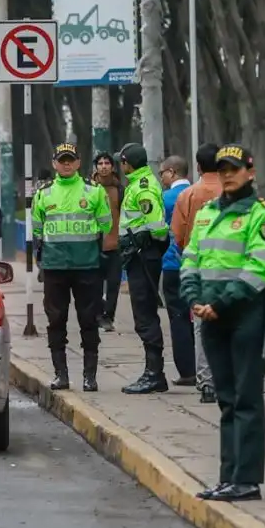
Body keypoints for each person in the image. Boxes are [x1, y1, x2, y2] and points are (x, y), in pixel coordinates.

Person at [181, 145, 265, 502]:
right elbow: (191, 257)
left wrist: (218, 303)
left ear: (250, 172)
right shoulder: (207, 213)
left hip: (246, 316)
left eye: (235, 169)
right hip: (211, 316)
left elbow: (259, 267)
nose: (227, 174)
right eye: (223, 169)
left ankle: (248, 480)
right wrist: (194, 298)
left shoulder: (261, 215)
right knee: (226, 400)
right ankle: (228, 476)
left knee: (246, 398)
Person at [30, 144, 112, 392]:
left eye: (71, 160)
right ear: (54, 163)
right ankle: (61, 375)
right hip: (55, 268)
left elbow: (105, 224)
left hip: (87, 266)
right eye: (62, 160)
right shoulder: (43, 194)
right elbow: (36, 229)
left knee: (89, 321)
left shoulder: (94, 191)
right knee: (56, 321)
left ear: (78, 163)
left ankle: (90, 377)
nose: (66, 164)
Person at [117, 142, 170, 394]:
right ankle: (153, 372)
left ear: (127, 163)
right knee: (144, 313)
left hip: (143, 255)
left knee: (145, 314)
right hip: (140, 255)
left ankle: (154, 374)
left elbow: (159, 228)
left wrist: (145, 244)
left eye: (122, 161)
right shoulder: (138, 183)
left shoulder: (143, 188)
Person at [173, 143, 223, 404]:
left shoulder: (189, 195)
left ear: (199, 166)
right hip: (234, 271)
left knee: (202, 327)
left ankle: (206, 383)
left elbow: (179, 237)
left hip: (201, 268)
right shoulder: (234, 192)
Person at [158, 156, 197, 386]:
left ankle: (187, 370)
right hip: (200, 264)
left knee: (179, 317)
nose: (161, 176)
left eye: (162, 172)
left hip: (173, 263)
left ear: (172, 172)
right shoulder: (199, 194)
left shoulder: (166, 198)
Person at [89, 152, 124, 332]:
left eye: (107, 163)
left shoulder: (120, 189)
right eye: (100, 163)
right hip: (93, 244)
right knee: (93, 284)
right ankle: (97, 314)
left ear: (112, 166)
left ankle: (108, 316)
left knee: (113, 284)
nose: (103, 166)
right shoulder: (89, 189)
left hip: (115, 244)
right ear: (96, 167)